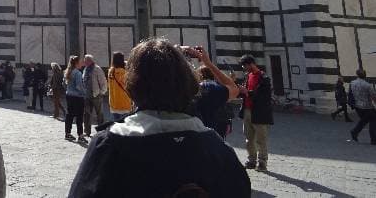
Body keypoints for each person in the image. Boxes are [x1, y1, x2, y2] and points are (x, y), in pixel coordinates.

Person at [67, 38, 250, 197]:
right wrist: (207, 62)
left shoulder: (109, 147)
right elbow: (234, 89)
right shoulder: (219, 151)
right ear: (189, 81)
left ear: (133, 86)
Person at [190, 46, 239, 139]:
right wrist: (208, 63)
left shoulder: (191, 89)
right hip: (218, 125)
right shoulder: (214, 88)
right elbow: (233, 89)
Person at [238, 53, 273, 171]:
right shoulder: (248, 76)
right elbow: (244, 93)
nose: (243, 68)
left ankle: (262, 162)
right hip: (247, 110)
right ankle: (251, 160)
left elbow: (263, 96)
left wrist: (247, 92)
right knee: (248, 138)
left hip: (259, 112)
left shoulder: (264, 78)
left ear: (251, 64)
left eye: (244, 65)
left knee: (260, 139)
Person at [81, 55, 107, 136]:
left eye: (85, 61)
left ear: (90, 61)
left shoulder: (97, 69)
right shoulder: (85, 69)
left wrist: (101, 92)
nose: (84, 62)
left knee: (99, 114)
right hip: (87, 96)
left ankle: (101, 131)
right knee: (87, 114)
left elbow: (103, 82)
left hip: (96, 95)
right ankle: (87, 131)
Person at [349, 68, 376, 144]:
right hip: (367, 107)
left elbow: (350, 94)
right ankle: (373, 139)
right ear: (365, 75)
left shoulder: (352, 83)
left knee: (364, 120)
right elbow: (374, 96)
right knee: (373, 121)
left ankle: (354, 132)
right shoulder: (367, 85)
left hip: (357, 106)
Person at [64, 55, 87, 143]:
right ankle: (80, 135)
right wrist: (84, 92)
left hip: (69, 95)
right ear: (76, 63)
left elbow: (64, 84)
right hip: (77, 97)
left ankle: (67, 133)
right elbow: (79, 86)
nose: (82, 63)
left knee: (69, 115)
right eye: (80, 62)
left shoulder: (68, 71)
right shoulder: (78, 73)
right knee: (79, 116)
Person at [106, 51, 132, 121]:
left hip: (113, 103)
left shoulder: (110, 72)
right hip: (124, 103)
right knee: (125, 127)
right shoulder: (124, 72)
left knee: (116, 126)